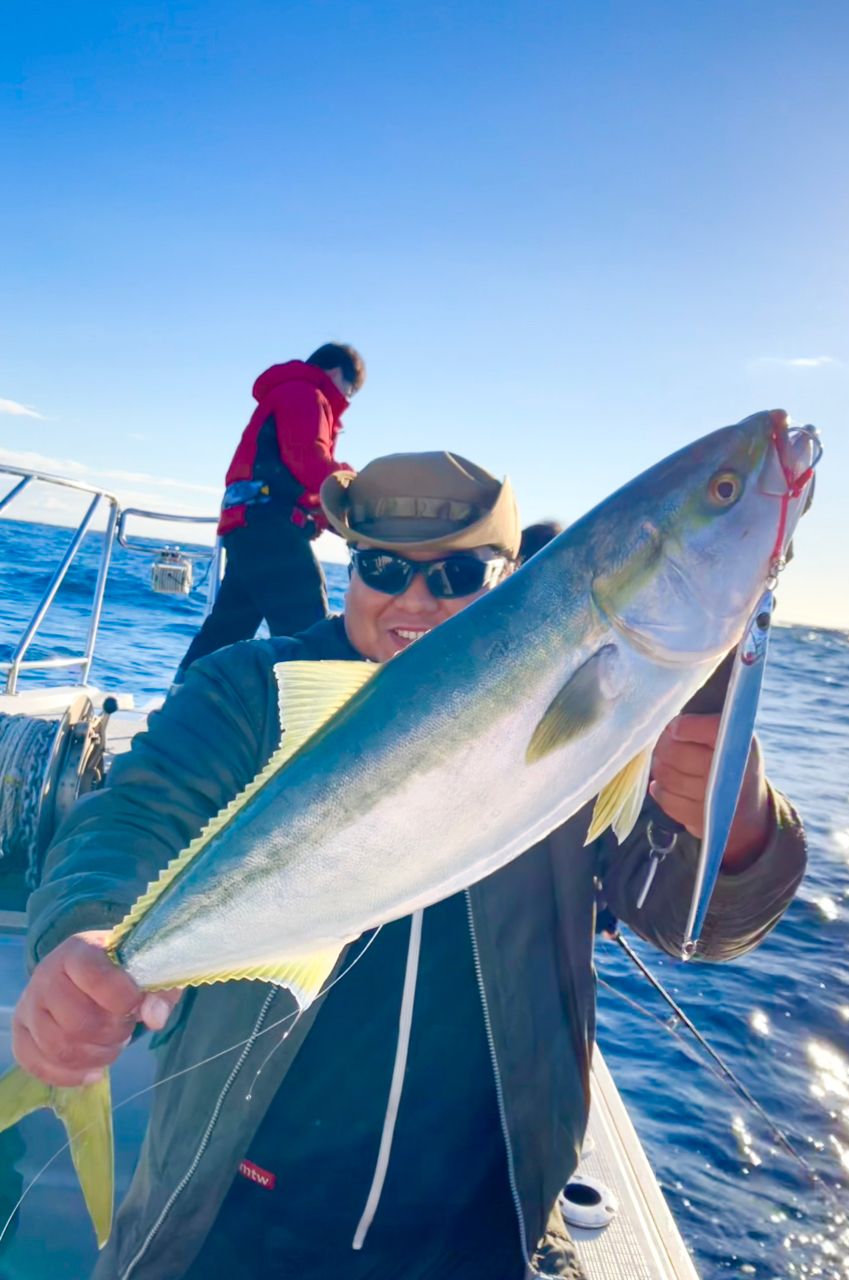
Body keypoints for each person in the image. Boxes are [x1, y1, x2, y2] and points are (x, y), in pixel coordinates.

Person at [16, 452, 807, 1280]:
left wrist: (738, 828)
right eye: (381, 566)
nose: (415, 599)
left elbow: (693, 926)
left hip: (478, 1223)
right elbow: (131, 818)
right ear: (346, 564)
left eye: (457, 572)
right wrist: (89, 929)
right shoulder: (251, 689)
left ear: (509, 577)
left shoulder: (611, 716)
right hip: (231, 1206)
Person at [174, 341, 365, 681]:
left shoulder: (288, 393)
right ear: (336, 373)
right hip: (269, 528)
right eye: (350, 390)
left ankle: (180, 702)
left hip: (246, 525)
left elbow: (291, 473)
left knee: (227, 629)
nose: (348, 402)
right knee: (309, 630)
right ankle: (319, 723)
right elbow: (309, 463)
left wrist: (327, 517)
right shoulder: (305, 393)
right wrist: (357, 499)